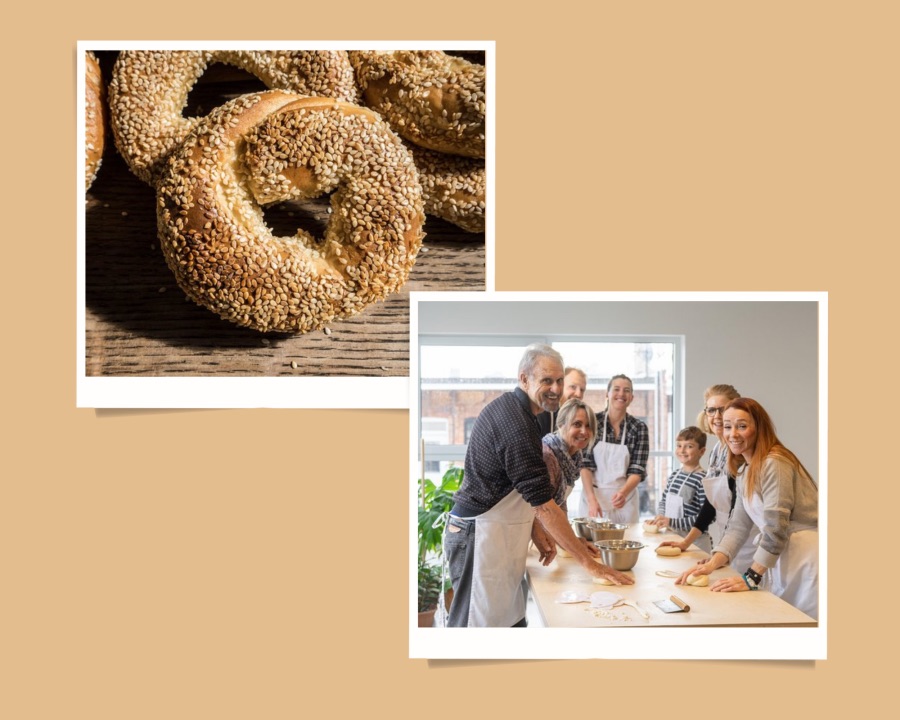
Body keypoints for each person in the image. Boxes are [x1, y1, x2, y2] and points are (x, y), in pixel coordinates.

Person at [444, 344, 633, 628]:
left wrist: (536, 530)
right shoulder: (515, 423)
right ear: (524, 379)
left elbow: (522, 489)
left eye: (559, 380)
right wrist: (591, 564)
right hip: (479, 534)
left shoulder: (528, 416)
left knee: (508, 624)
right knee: (475, 629)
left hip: (498, 536)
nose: (556, 388)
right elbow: (544, 505)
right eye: (547, 380)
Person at [675, 397, 819, 620]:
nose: (733, 434)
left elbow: (775, 528)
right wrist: (710, 565)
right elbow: (738, 527)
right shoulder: (744, 470)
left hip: (806, 559)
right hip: (783, 559)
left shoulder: (775, 463)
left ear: (758, 428)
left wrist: (751, 577)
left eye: (742, 426)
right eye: (727, 426)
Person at [659, 384, 758, 569]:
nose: (717, 416)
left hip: (748, 541)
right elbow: (710, 505)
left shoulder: (740, 453)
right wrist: (685, 543)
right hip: (727, 538)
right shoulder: (717, 451)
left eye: (724, 409)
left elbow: (738, 514)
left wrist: (718, 556)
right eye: (711, 410)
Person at [578, 374, 649, 524]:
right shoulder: (593, 422)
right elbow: (584, 464)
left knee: (625, 543)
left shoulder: (639, 428)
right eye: (616, 389)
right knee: (590, 544)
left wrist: (623, 493)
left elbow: (638, 469)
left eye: (627, 390)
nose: (621, 394)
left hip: (625, 500)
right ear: (607, 394)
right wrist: (592, 500)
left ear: (631, 398)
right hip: (593, 497)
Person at [646, 426, 711, 553]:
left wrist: (672, 522)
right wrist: (660, 516)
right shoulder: (674, 475)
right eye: (679, 445)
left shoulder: (703, 479)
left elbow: (707, 517)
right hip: (673, 536)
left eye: (689, 446)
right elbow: (664, 501)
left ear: (702, 451)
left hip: (696, 544)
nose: (682, 450)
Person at [542, 397, 598, 510]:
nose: (584, 432)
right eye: (577, 424)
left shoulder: (575, 458)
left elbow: (561, 501)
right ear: (560, 425)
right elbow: (543, 509)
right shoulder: (548, 456)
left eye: (588, 426)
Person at [536, 367, 587, 435]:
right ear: (560, 385)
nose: (578, 394)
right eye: (573, 387)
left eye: (582, 390)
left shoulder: (579, 419)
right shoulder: (544, 414)